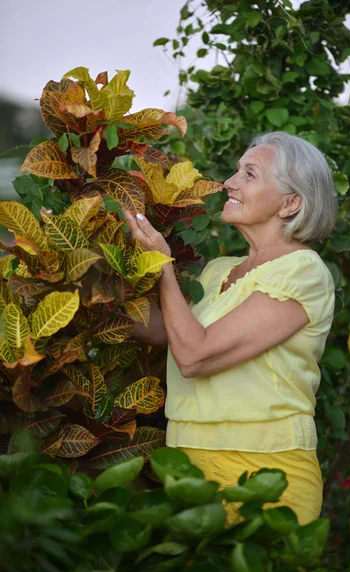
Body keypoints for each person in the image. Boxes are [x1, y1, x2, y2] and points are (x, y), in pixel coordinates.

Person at [122, 131, 336, 525]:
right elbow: (165, 331)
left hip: (265, 474)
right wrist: (80, 281)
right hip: (187, 467)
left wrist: (162, 266)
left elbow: (195, 355)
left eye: (250, 174)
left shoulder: (303, 271)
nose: (229, 182)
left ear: (291, 203)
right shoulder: (220, 270)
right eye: (236, 171)